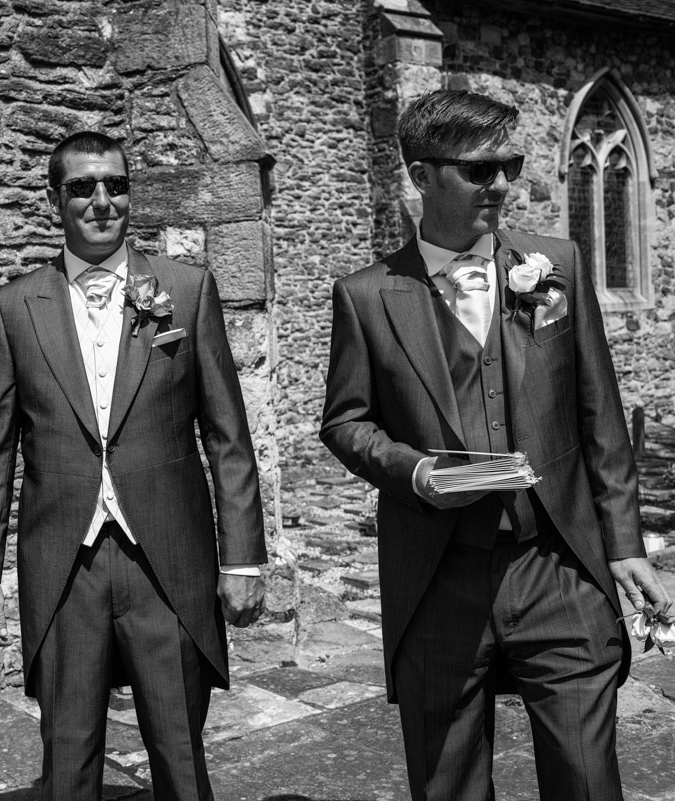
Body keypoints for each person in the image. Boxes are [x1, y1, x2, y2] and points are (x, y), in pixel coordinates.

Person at [319, 88, 669, 801]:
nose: (503, 183)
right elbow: (345, 421)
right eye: (481, 171)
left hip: (557, 566)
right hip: (438, 576)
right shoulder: (365, 295)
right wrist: (413, 471)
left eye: (508, 164)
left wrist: (624, 543)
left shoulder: (556, 264)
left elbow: (599, 414)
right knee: (447, 784)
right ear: (422, 176)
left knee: (587, 780)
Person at [0, 131, 267, 801]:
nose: (103, 201)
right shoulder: (15, 307)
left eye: (117, 185)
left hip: (167, 558)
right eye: (82, 188)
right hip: (63, 562)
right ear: (54, 199)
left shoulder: (185, 291)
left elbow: (227, 436)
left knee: (181, 758)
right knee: (68, 762)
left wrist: (242, 558)